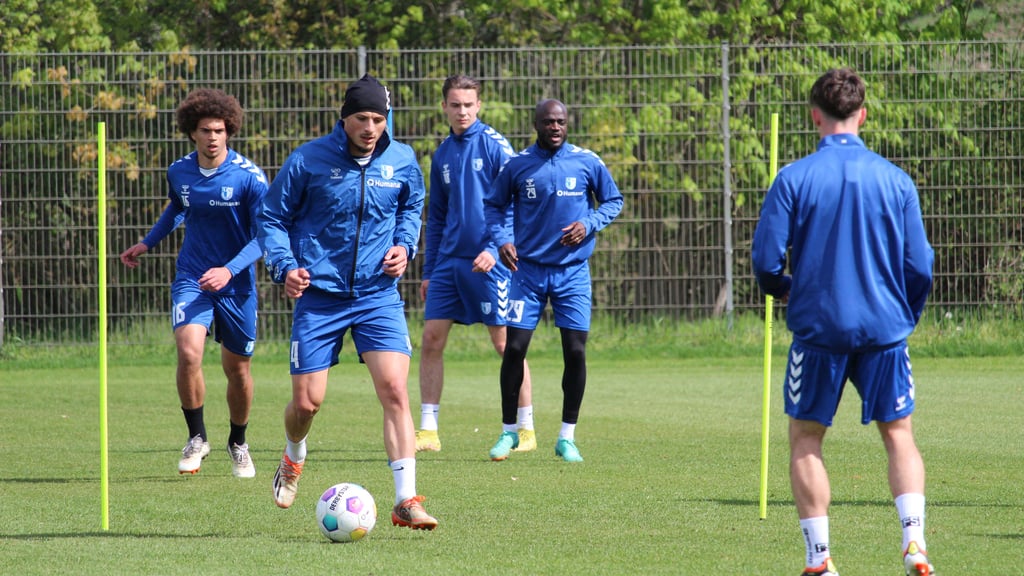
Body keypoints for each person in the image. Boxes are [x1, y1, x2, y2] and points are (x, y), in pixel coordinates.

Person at [751, 68, 936, 576]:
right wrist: (905, 314)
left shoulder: (793, 178)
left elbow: (766, 261)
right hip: (884, 329)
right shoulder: (896, 179)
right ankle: (915, 543)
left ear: (815, 116)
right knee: (898, 434)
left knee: (806, 438)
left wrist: (783, 289)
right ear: (864, 115)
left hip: (819, 330)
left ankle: (819, 560)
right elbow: (920, 265)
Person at [257, 74, 437, 530]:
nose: (370, 127)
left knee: (395, 389)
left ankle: (406, 500)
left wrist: (405, 246)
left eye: (378, 118)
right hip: (320, 296)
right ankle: (293, 455)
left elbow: (411, 207)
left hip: (378, 294)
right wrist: (285, 266)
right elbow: (271, 217)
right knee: (307, 404)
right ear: (344, 119)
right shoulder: (308, 159)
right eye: (362, 118)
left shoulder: (402, 159)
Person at [120, 88, 267, 478]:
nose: (213, 137)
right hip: (193, 277)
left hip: (236, 284)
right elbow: (177, 208)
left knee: (238, 370)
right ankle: (197, 437)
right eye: (205, 130)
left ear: (229, 130)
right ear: (192, 132)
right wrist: (147, 242)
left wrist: (229, 270)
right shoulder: (179, 171)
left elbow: (265, 237)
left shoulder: (250, 177)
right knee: (188, 354)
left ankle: (238, 442)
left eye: (219, 130)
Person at [481, 98, 623, 463]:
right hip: (526, 272)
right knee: (514, 349)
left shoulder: (587, 161)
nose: (555, 127)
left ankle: (566, 437)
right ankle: (509, 432)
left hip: (572, 273)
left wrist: (589, 223)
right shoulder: (518, 165)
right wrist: (502, 240)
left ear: (567, 124)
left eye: (560, 121)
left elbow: (613, 201)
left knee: (575, 351)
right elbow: (493, 205)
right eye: (548, 122)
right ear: (537, 125)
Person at [416, 74, 536, 453]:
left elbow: (517, 203)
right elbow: (437, 216)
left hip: (491, 261)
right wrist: (429, 271)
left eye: (469, 105)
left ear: (479, 105)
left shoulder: (496, 146)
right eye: (455, 105)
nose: (462, 111)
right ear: (444, 107)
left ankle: (526, 428)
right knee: (431, 339)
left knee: (505, 344)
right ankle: (428, 431)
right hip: (449, 263)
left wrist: (495, 247)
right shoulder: (442, 153)